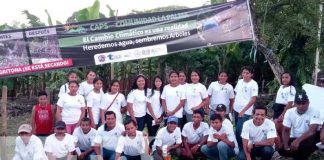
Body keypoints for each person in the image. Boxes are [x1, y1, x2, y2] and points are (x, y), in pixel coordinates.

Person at [278, 91, 321, 160]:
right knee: (281, 149)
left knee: (304, 146)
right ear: (295, 104)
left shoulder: (315, 111)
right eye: (298, 103)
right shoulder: (289, 112)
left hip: (309, 137)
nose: (301, 106)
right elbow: (286, 130)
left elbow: (312, 130)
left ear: (308, 103)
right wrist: (286, 146)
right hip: (294, 137)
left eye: (303, 103)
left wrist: (297, 141)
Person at [233, 66, 258, 154]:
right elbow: (236, 93)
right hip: (236, 109)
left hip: (245, 111)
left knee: (240, 131)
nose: (245, 74)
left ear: (251, 74)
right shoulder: (240, 82)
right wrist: (233, 106)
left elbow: (253, 99)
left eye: (247, 73)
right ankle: (239, 148)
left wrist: (243, 111)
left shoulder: (253, 84)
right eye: (243, 72)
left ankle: (243, 151)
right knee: (237, 129)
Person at [272, 72, 296, 147]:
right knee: (277, 129)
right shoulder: (281, 86)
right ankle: (281, 146)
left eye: (286, 77)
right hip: (277, 108)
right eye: (283, 77)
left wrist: (283, 114)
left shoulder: (291, 88)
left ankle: (283, 145)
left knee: (280, 128)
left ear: (290, 78)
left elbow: (290, 103)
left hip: (283, 109)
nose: (284, 79)